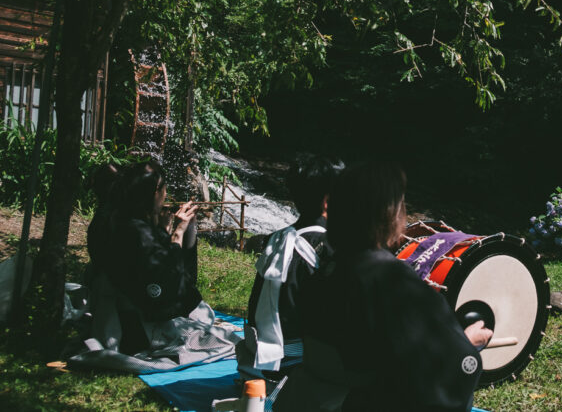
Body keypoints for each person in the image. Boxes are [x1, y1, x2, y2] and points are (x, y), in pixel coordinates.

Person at [274, 162, 492, 412]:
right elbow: (437, 372)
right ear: (390, 215)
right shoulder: (391, 280)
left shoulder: (328, 269)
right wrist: (467, 345)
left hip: (306, 399)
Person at [74, 161, 239, 372]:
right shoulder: (137, 232)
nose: (166, 194)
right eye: (163, 189)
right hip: (136, 328)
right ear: (153, 193)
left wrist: (161, 231)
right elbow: (166, 286)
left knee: (204, 316)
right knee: (208, 322)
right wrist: (177, 234)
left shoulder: (115, 219)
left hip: (115, 313)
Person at [238, 158, 339, 377]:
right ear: (328, 200)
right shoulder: (333, 245)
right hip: (295, 364)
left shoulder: (276, 238)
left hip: (256, 354)